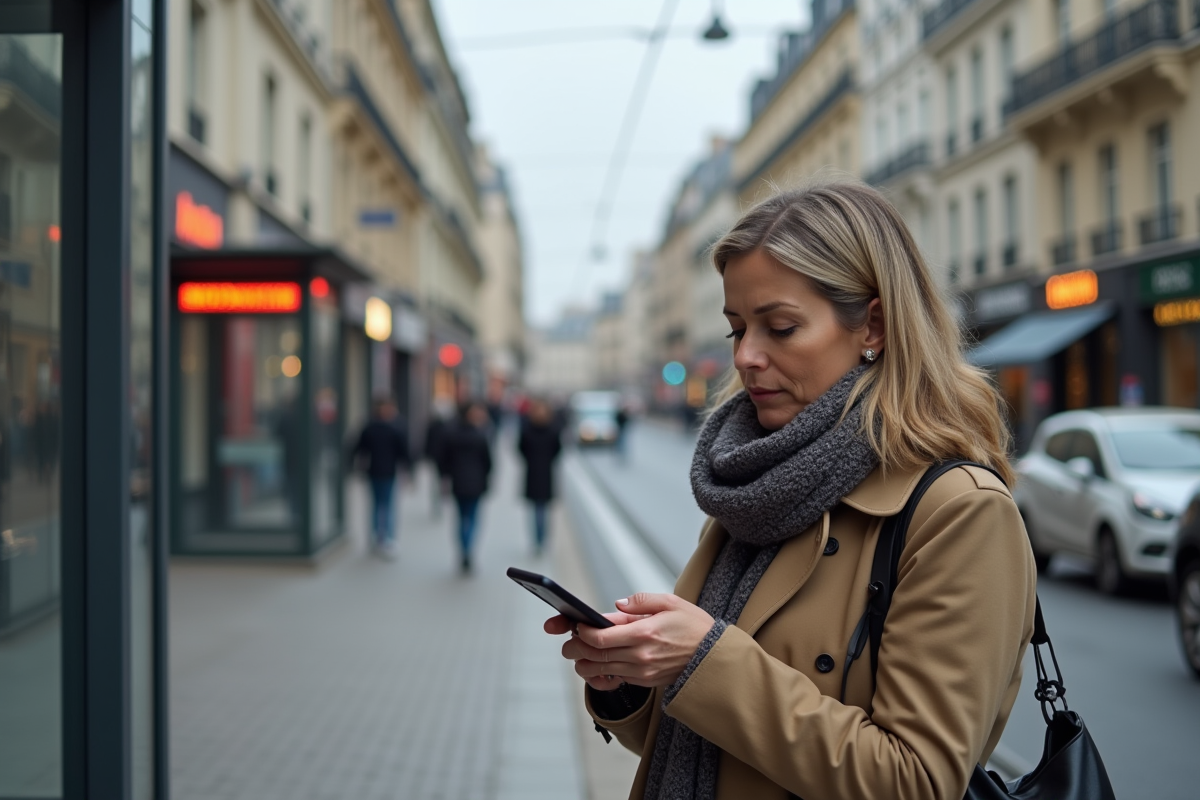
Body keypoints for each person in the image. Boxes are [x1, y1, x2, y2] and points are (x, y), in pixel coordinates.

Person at [544, 182, 1037, 800]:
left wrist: (703, 658)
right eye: (737, 330)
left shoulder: (959, 513)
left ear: (874, 326)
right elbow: (705, 743)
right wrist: (630, 678)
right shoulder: (754, 483)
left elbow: (915, 780)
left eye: (780, 327)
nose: (746, 356)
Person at [352, 397, 412, 560]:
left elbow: (403, 452)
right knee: (382, 505)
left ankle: (382, 538)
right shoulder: (388, 428)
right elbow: (359, 449)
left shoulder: (375, 427)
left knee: (383, 504)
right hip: (378, 472)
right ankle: (382, 538)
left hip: (385, 472)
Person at [439, 401, 493, 573]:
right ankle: (468, 550)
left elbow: (443, 460)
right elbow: (488, 463)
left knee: (462, 518)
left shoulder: (452, 434)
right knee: (473, 518)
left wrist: (446, 476)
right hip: (476, 482)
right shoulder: (480, 435)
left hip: (458, 482)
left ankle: (464, 550)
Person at [518, 398, 563, 556]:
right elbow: (521, 448)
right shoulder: (546, 429)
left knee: (539, 509)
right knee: (539, 509)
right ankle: (540, 540)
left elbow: (557, 449)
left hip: (539, 472)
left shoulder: (541, 429)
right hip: (541, 472)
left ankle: (539, 540)